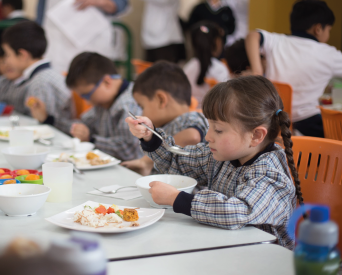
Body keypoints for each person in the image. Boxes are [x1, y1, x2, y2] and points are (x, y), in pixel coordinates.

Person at [126, 76, 304, 250]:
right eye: (209, 126)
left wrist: (177, 199)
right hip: (224, 248)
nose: (208, 136)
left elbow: (236, 212)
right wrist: (151, 136)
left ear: (256, 135)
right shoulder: (221, 156)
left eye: (218, 130)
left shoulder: (271, 176)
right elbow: (178, 161)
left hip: (264, 261)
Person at [245, 0, 342, 138]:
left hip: (273, 122)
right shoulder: (329, 54)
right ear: (318, 29)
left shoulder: (277, 41)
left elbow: (253, 35)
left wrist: (257, 71)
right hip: (308, 126)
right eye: (329, 30)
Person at [43, 51, 142, 161]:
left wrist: (91, 140)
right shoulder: (103, 101)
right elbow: (82, 124)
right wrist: (49, 119)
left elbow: (130, 151)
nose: (88, 102)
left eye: (87, 95)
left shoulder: (129, 104)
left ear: (107, 82)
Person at [121, 61, 208, 176]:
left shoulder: (190, 117)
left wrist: (146, 162)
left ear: (161, 100)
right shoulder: (166, 125)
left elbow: (192, 136)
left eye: (142, 106)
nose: (142, 112)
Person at [1, 21, 73, 133]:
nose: (6, 60)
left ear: (22, 55)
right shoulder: (43, 75)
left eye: (8, 54)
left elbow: (47, 129)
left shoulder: (40, 81)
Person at [38, 0, 129, 74]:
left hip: (91, 39)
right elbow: (41, 10)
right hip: (54, 39)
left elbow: (120, 4)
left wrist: (101, 2)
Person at [183, 21, 230, 108]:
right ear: (217, 42)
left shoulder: (187, 68)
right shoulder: (220, 68)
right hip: (213, 118)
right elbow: (225, 102)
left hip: (190, 116)